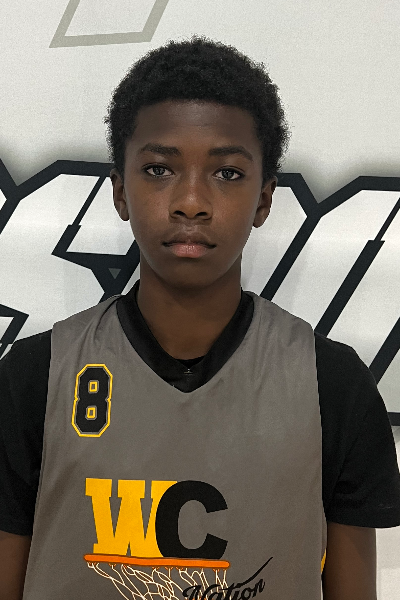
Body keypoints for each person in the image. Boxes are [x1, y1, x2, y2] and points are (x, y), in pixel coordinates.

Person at [0, 36, 399, 600]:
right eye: (159, 169)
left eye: (227, 173)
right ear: (120, 193)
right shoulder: (33, 378)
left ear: (264, 199)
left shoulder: (332, 386)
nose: (191, 201)